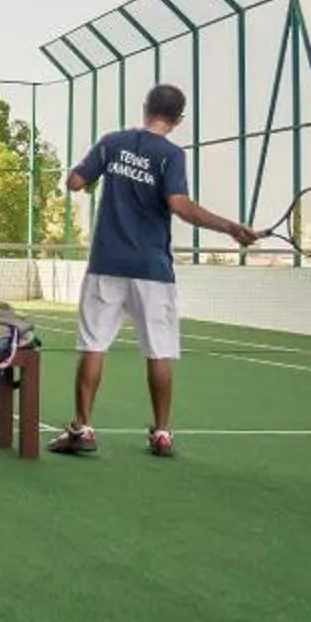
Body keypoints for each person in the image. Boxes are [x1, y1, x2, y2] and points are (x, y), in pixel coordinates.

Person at [53, 83, 252, 458]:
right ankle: (161, 433)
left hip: (107, 264)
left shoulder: (112, 143)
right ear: (179, 120)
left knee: (93, 345)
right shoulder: (171, 156)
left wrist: (94, 175)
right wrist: (230, 227)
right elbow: (180, 205)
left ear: (145, 107)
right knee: (159, 351)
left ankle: (83, 428)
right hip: (152, 269)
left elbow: (74, 181)